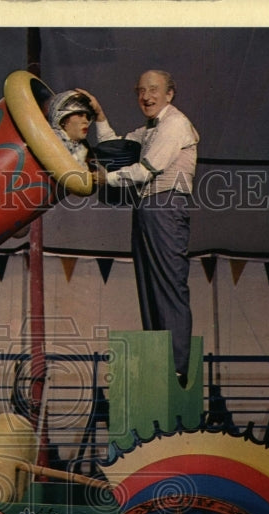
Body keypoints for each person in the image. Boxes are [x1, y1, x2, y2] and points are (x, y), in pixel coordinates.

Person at [79, 71, 199, 385]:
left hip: (165, 205)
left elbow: (147, 170)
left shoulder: (174, 125)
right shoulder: (149, 130)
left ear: (170, 94)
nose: (146, 96)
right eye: (141, 91)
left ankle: (177, 367)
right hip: (146, 207)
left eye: (154, 90)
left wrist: (108, 179)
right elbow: (115, 148)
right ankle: (160, 360)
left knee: (169, 284)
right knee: (148, 285)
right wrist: (100, 116)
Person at [46, 90, 95, 166]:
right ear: (63, 119)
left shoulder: (80, 150)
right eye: (80, 115)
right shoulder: (51, 143)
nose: (86, 121)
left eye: (87, 117)